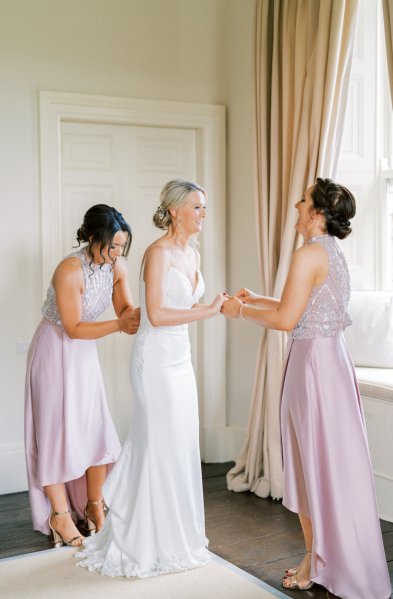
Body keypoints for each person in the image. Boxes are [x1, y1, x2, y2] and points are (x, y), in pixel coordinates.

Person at [221, 178, 392, 599]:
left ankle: (318, 560)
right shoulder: (331, 252)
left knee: (313, 466)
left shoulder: (307, 254)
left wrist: (239, 310)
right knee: (328, 467)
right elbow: (298, 308)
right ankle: (321, 559)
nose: (296, 205)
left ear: (316, 214)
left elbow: (285, 320)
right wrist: (258, 298)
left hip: (312, 367)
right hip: (329, 362)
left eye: (302, 201)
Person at [76, 179, 227, 577]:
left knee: (179, 445)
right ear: (176, 210)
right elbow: (157, 315)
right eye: (197, 207)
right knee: (157, 444)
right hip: (155, 364)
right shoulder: (156, 253)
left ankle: (176, 538)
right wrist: (209, 311)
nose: (203, 215)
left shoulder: (192, 255)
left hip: (181, 360)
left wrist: (220, 307)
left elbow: (185, 307)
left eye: (204, 208)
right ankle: (140, 541)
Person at [25, 205, 140, 548]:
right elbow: (74, 327)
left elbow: (125, 311)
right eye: (111, 246)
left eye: (121, 246)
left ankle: (94, 505)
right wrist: (120, 325)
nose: (117, 254)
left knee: (96, 430)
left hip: (84, 355)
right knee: (56, 432)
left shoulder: (117, 266)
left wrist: (146, 312)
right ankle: (59, 515)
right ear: (91, 238)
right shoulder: (69, 270)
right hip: (54, 351)